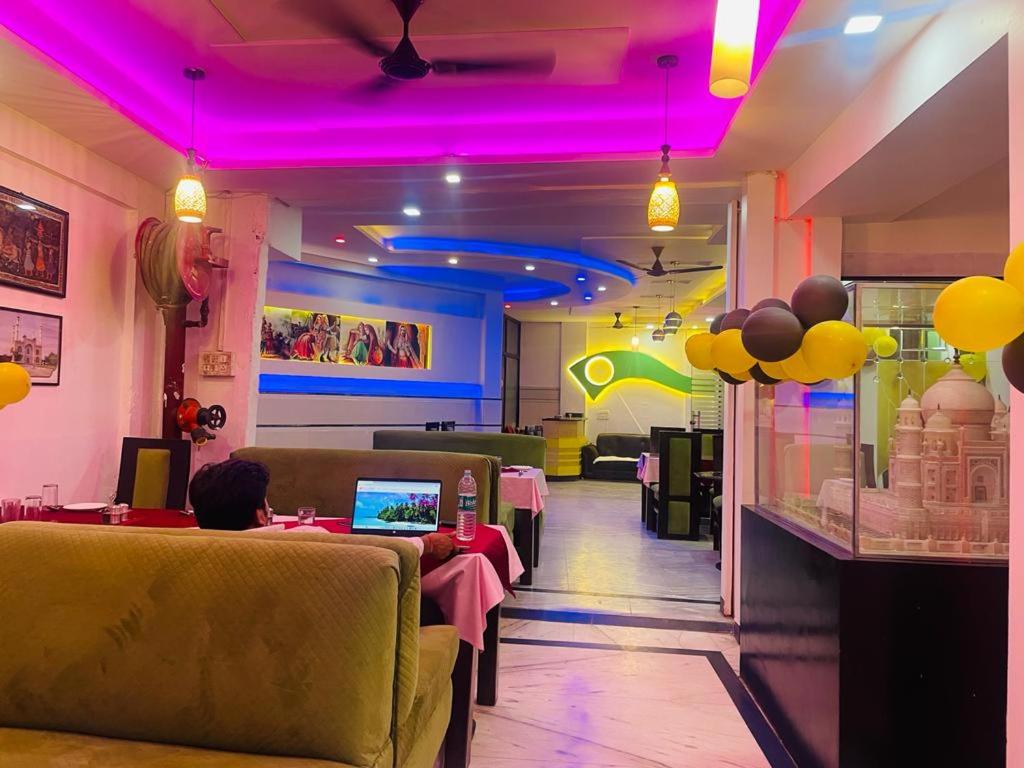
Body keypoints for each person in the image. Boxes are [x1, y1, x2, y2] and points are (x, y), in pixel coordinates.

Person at [188, 458, 455, 559]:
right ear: (259, 515)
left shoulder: (183, 547)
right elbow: (376, 554)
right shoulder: (307, 542)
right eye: (266, 504)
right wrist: (427, 543)